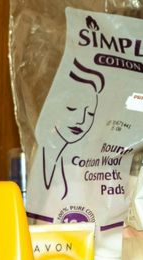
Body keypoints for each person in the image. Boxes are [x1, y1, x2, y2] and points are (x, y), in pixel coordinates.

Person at [41, 59, 105, 200]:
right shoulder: (40, 161)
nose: (81, 120)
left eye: (90, 114)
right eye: (72, 108)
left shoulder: (75, 168)